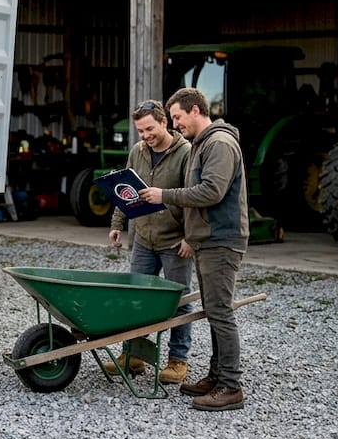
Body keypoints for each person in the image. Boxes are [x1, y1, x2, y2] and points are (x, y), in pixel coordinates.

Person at [139, 87, 249, 412]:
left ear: (196, 111)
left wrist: (165, 196)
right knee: (215, 311)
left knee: (221, 312)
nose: (174, 125)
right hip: (207, 239)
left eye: (177, 117)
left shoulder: (219, 144)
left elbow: (212, 191)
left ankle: (231, 385)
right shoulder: (204, 144)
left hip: (221, 240)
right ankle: (217, 377)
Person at [103, 100, 192, 384]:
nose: (145, 136)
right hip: (143, 238)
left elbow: (195, 198)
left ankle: (177, 360)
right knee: (137, 298)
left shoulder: (186, 154)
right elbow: (124, 189)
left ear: (164, 122)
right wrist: (118, 224)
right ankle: (134, 356)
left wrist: (191, 236)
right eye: (140, 131)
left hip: (174, 240)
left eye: (149, 129)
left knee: (178, 301)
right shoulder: (137, 152)